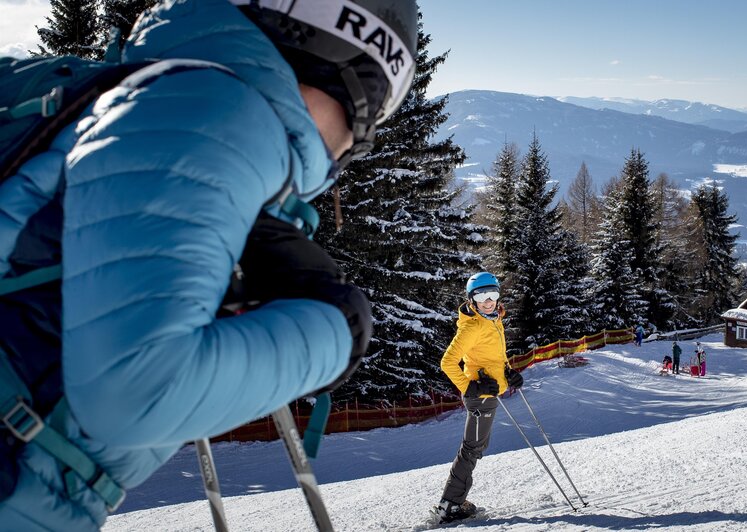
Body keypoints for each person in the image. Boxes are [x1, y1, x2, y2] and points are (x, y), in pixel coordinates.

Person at [0, 0, 418, 530]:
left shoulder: (155, 98)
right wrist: (339, 328)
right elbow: (134, 394)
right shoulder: (220, 108)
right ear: (352, 74)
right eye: (373, 115)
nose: (354, 147)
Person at [436, 272, 522, 524]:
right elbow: (447, 362)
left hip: (489, 393)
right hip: (479, 397)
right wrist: (470, 387)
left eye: (492, 294)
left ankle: (453, 501)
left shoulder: (494, 320)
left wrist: (508, 372)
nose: (488, 301)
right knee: (471, 448)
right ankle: (451, 504)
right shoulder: (473, 326)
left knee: (477, 446)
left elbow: (493, 356)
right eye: (481, 296)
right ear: (472, 299)